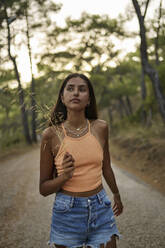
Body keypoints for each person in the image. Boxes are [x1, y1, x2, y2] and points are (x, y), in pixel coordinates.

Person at [39, 73, 123, 248]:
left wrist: (116, 194)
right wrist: (64, 176)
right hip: (67, 212)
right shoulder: (51, 135)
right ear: (62, 97)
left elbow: (106, 167)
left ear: (89, 99)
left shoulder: (101, 127)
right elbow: (43, 189)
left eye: (82, 89)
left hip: (101, 206)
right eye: (70, 89)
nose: (76, 93)